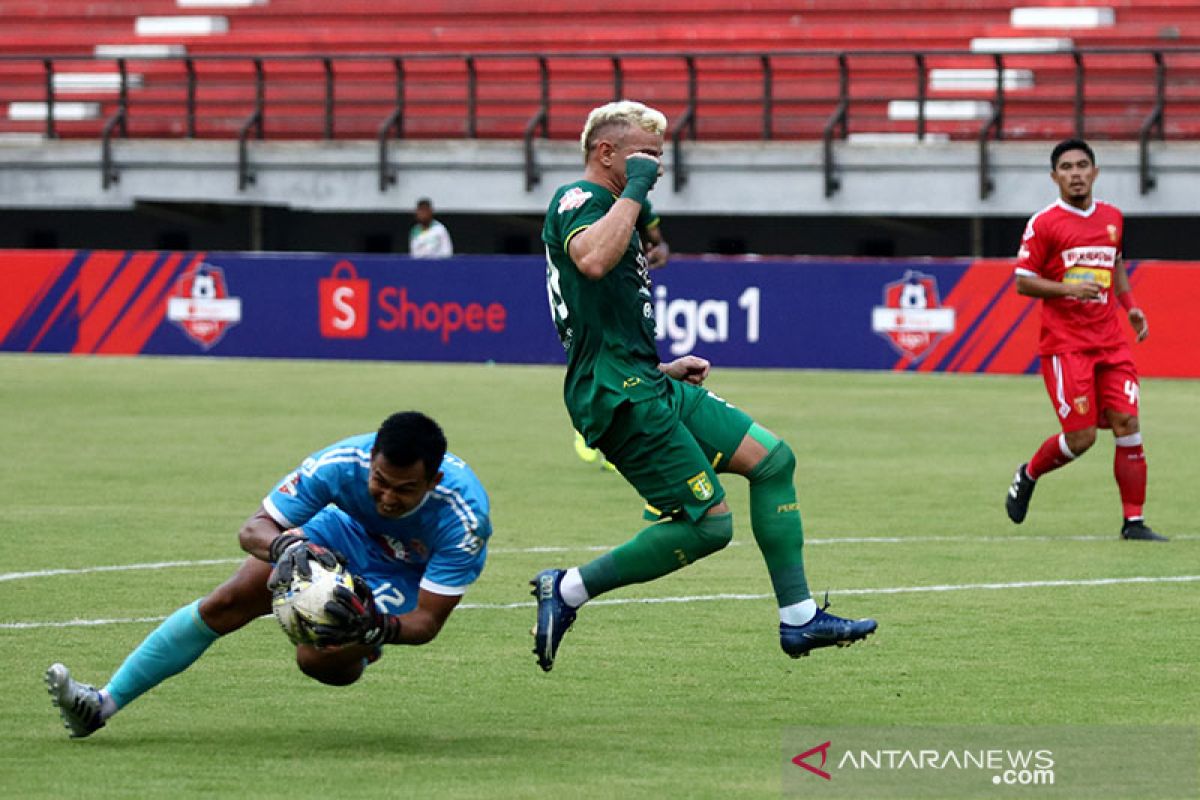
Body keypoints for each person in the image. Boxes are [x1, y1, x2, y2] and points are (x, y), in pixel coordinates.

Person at [533, 100, 877, 672]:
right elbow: (591, 262)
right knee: (711, 525)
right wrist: (636, 189)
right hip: (618, 395)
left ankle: (799, 620)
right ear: (605, 152)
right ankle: (567, 589)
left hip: (643, 380)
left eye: (659, 160)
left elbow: (604, 312)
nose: (656, 169)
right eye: (645, 157)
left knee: (772, 460)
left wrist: (661, 367)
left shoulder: (615, 209)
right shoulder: (577, 199)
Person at [46, 411, 492, 738]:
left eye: (405, 489)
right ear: (370, 458)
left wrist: (378, 626)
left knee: (316, 659)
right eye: (380, 481)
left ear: (432, 481)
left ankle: (361, 650)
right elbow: (254, 529)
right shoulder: (340, 463)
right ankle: (100, 705)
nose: (389, 497)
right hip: (344, 532)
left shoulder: (465, 519)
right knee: (229, 601)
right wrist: (288, 546)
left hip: (405, 572)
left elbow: (428, 622)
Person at [1004, 139, 1166, 541]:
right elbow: (1023, 282)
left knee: (1128, 422)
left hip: (1111, 342)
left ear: (1095, 172)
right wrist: (1067, 290)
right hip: (1066, 346)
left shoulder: (1112, 217)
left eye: (1082, 166)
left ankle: (1134, 522)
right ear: (1054, 176)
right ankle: (1029, 473)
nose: (1075, 173)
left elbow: (1117, 265)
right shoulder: (1044, 223)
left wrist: (1130, 306)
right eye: (1066, 167)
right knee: (1082, 438)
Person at [573, 204, 669, 472]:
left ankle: (614, 437)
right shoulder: (591, 201)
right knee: (610, 362)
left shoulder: (640, 202)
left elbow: (657, 241)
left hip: (632, 292)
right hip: (602, 293)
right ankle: (591, 426)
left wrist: (660, 250)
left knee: (635, 365)